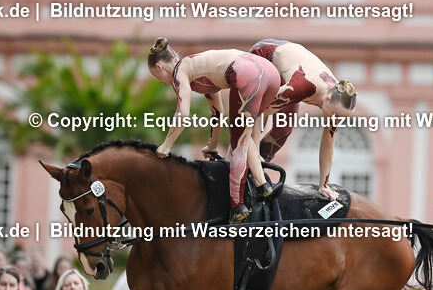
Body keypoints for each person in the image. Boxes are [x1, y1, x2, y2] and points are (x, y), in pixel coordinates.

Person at [147, 37, 281, 224]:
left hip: (247, 73)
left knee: (238, 142)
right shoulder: (200, 69)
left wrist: (166, 145)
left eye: (156, 77)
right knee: (244, 134)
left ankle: (238, 206)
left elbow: (183, 115)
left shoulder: (180, 71)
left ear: (160, 67)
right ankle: (262, 185)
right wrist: (212, 146)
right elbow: (218, 114)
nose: (161, 82)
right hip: (269, 73)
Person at [248, 38, 358, 200]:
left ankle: (257, 166)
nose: (336, 120)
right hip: (264, 55)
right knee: (257, 119)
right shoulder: (302, 87)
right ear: (326, 99)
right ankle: (246, 164)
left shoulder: (336, 101)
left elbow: (328, 145)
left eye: (341, 118)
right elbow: (257, 112)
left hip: (291, 68)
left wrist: (323, 185)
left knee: (284, 129)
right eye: (335, 115)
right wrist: (254, 154)